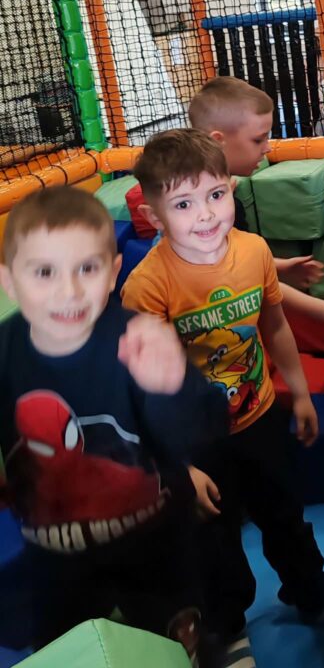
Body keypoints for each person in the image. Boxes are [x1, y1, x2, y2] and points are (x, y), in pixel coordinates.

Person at [122, 129, 324, 668]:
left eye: (215, 194)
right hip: (197, 441)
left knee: (286, 512)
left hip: (259, 414)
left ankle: (312, 591)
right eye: (183, 204)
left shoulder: (253, 251)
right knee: (214, 541)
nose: (206, 215)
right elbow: (144, 389)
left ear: (231, 187)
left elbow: (275, 324)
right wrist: (180, 467)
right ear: (153, 216)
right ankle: (228, 628)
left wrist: (300, 392)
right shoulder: (148, 286)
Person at [0, 186, 226, 663]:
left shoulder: (137, 338)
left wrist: (172, 386)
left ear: (113, 271)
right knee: (69, 650)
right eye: (44, 272)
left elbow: (200, 433)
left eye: (88, 268)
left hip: (154, 541)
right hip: (57, 553)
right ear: (9, 281)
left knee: (178, 641)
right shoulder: (5, 353)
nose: (69, 291)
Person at [177, 76, 324, 344]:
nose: (267, 147)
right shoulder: (207, 217)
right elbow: (249, 283)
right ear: (218, 142)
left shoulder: (222, 194)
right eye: (258, 139)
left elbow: (236, 258)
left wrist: (278, 266)